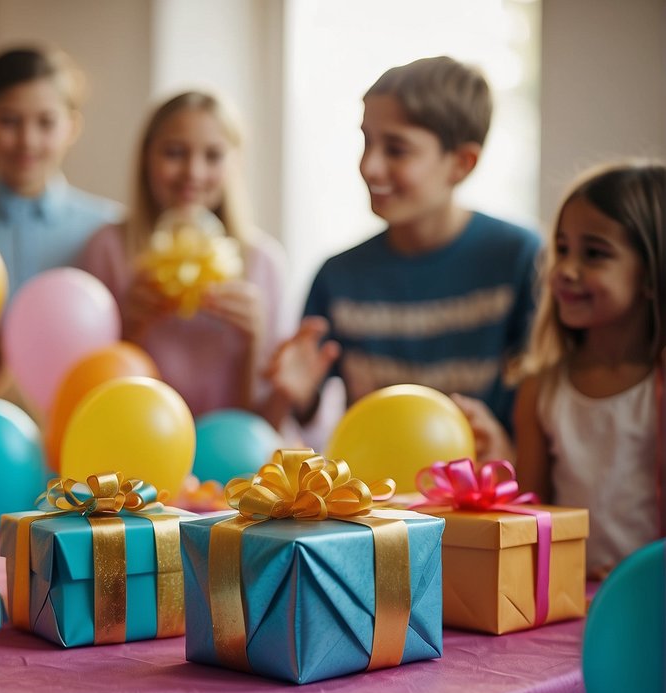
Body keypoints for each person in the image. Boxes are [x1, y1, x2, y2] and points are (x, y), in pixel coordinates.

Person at [268, 56, 541, 434]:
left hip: (485, 490)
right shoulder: (337, 275)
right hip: (376, 490)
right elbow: (306, 407)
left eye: (396, 149)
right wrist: (300, 395)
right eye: (366, 140)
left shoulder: (520, 258)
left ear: (462, 163)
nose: (369, 166)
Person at [468, 162, 666, 579]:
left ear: (651, 274)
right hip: (564, 598)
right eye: (562, 248)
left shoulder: (657, 386)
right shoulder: (542, 387)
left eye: (594, 253)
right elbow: (531, 515)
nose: (566, 270)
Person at [80, 90, 290, 423]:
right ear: (146, 157)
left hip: (232, 463)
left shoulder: (263, 262)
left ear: (235, 162)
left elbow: (268, 422)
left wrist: (254, 342)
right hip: (136, 451)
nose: (193, 172)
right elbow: (89, 392)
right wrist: (128, 332)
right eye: (175, 153)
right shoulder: (108, 249)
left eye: (213, 156)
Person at [0, 46, 120, 394]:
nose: (27, 140)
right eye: (9, 120)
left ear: (72, 127)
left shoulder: (106, 230)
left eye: (46, 122)